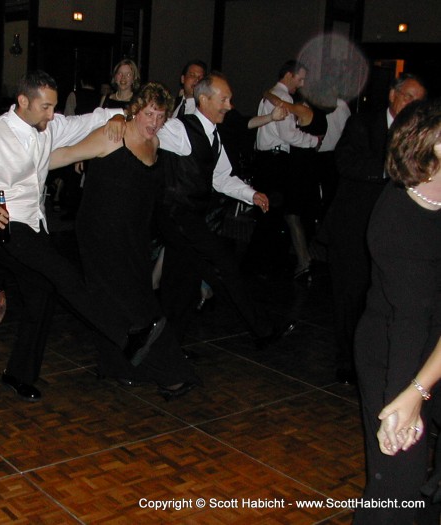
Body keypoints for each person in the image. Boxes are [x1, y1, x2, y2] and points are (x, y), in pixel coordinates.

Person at [0, 70, 164, 401]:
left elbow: (92, 118)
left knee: (42, 295)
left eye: (54, 107)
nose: (52, 114)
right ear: (23, 102)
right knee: (63, 273)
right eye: (45, 107)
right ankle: (126, 337)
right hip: (3, 225)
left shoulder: (49, 126)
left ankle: (18, 375)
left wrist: (119, 115)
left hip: (33, 225)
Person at [49, 82, 199, 397]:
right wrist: (17, 165)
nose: (154, 121)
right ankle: (172, 373)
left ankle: (115, 366)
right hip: (100, 232)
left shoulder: (157, 142)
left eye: (160, 116)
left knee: (119, 300)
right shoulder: (112, 134)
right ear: (135, 110)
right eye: (148, 113)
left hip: (133, 234)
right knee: (135, 304)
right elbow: (63, 155)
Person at [155, 73, 294, 348]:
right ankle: (262, 330)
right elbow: (145, 128)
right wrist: (115, 120)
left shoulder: (213, 136)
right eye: (224, 99)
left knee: (181, 283)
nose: (230, 105)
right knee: (223, 266)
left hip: (188, 219)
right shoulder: (179, 129)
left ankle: (165, 349)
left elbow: (222, 178)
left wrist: (252, 194)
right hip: (176, 217)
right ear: (203, 99)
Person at [354, 98, 441, 524]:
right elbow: (410, 322)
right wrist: (407, 400)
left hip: (431, 346)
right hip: (395, 352)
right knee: (396, 487)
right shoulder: (397, 223)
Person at [327, 73, 426, 385]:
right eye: (409, 96)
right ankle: (347, 361)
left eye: (419, 100)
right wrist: (391, 169)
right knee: (349, 296)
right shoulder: (363, 124)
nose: (413, 104)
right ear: (393, 96)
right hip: (354, 228)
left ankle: (378, 358)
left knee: (384, 297)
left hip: (396, 232)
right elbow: (345, 163)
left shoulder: (419, 134)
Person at [252, 60, 321, 280]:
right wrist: (313, 141)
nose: (301, 84)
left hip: (266, 161)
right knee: (273, 215)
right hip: (275, 162)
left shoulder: (271, 95)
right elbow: (288, 135)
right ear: (289, 75)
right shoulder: (283, 99)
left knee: (271, 214)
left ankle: (260, 265)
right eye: (299, 79)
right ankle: (261, 266)